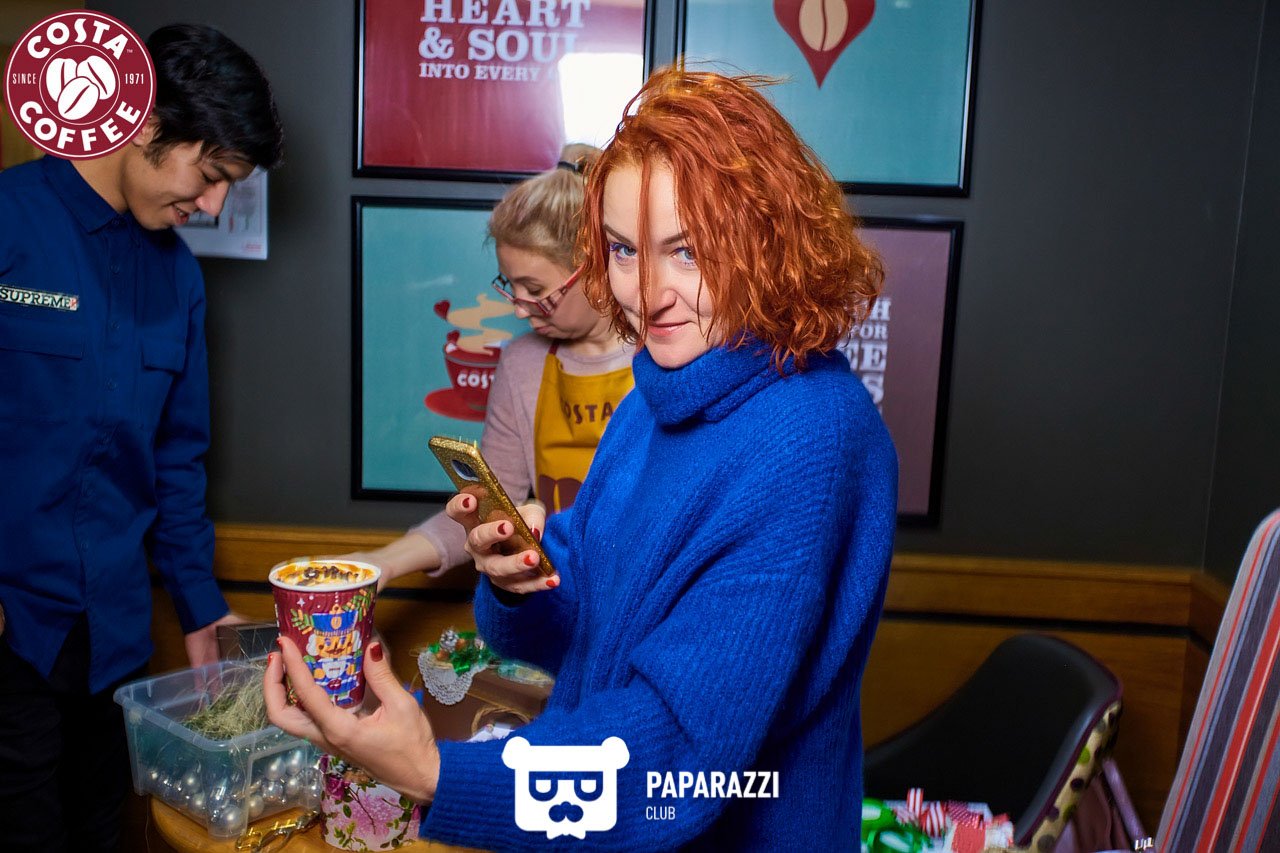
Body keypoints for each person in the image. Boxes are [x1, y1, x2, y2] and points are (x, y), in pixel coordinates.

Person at [265, 67, 896, 850]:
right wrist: (521, 581)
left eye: (687, 251)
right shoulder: (656, 394)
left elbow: (677, 762)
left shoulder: (810, 438)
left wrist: (434, 771)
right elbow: (588, 625)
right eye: (625, 250)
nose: (648, 292)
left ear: (768, 239)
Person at [0, 24, 283, 851]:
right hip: (14, 630)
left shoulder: (177, 274)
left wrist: (200, 607)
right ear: (147, 122)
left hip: (113, 636)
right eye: (212, 174)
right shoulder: (11, 222)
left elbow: (176, 458)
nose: (214, 205)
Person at [346, 144, 635, 587]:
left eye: (535, 289)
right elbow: (490, 509)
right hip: (560, 594)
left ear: (596, 267)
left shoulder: (664, 357)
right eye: (510, 286)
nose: (519, 309)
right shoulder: (522, 364)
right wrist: (381, 564)